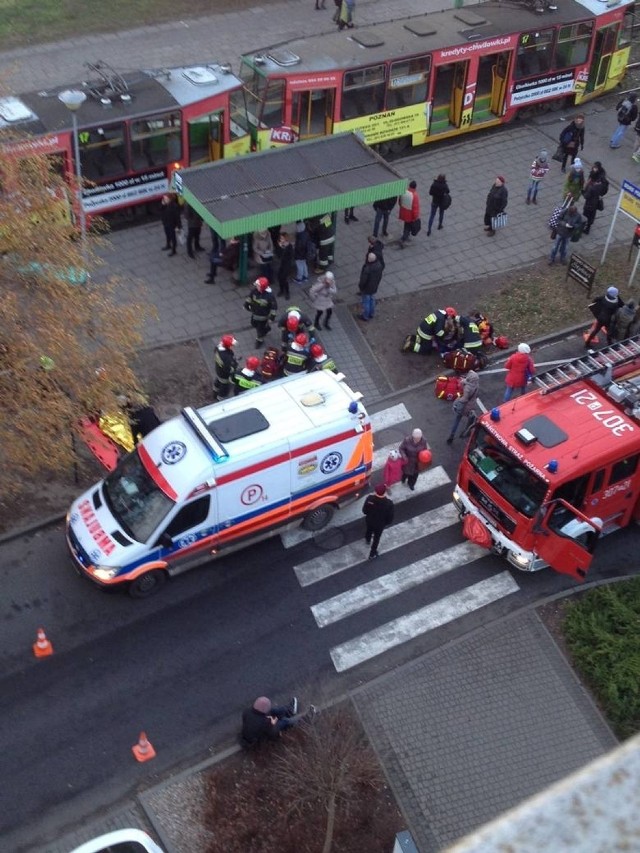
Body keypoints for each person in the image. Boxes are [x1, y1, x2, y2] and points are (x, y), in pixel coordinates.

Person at [241, 696, 306, 746]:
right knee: (283, 722)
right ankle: (302, 720)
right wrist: (273, 724)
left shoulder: (247, 711)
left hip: (250, 733)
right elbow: (273, 734)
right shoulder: (264, 723)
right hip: (256, 740)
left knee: (273, 711)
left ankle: (289, 710)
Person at [362, 483, 395, 560]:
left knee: (368, 530)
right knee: (377, 538)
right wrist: (386, 523)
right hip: (380, 524)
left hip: (369, 520)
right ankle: (372, 554)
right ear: (385, 492)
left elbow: (364, 510)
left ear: (375, 491)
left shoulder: (370, 499)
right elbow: (390, 517)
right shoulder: (389, 503)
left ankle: (367, 539)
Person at [446, 370, 480, 444]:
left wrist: (458, 401)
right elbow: (476, 395)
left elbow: (465, 398)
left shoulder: (467, 387)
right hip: (470, 406)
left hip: (463, 406)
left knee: (457, 420)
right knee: (470, 419)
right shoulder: (476, 385)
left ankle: (451, 436)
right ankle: (466, 432)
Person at [244, 277, 278, 348]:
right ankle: (266, 329)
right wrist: (246, 304)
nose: (256, 286)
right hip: (255, 313)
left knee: (260, 330)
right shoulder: (254, 291)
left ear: (262, 287)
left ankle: (259, 340)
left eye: (258, 286)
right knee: (253, 324)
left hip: (263, 317)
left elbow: (273, 308)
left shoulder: (270, 296)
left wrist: (271, 318)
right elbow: (250, 298)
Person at [358, 251, 383, 321]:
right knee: (372, 300)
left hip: (367, 288)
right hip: (374, 286)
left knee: (366, 302)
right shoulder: (379, 265)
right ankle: (371, 313)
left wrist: (361, 287)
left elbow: (363, 280)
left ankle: (365, 316)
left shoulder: (367, 268)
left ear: (369, 259)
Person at [213, 335, 238, 400]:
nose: (232, 346)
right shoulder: (226, 357)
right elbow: (229, 369)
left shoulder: (217, 348)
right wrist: (234, 365)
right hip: (224, 375)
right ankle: (220, 397)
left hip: (218, 369)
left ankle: (215, 390)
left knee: (218, 380)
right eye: (231, 345)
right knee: (224, 386)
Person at [398, 180, 420, 248]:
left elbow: (399, 202)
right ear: (415, 187)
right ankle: (403, 239)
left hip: (403, 211)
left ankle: (404, 236)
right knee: (408, 227)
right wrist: (416, 217)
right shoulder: (415, 195)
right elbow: (415, 208)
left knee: (406, 224)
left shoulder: (404, 191)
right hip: (410, 215)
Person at [276, 232, 295, 299]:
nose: (281, 240)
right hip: (281, 264)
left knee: (284, 278)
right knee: (279, 277)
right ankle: (281, 290)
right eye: (280, 238)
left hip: (287, 264)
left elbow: (290, 256)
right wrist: (280, 247)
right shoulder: (280, 245)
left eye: (282, 238)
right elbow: (278, 255)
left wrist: (283, 248)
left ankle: (287, 292)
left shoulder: (289, 246)